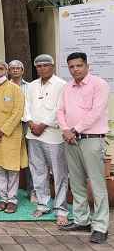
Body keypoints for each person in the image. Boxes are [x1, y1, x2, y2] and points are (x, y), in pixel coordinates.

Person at [57, 52, 110, 244]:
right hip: (71, 140)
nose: (75, 70)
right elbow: (60, 110)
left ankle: (101, 226)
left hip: (91, 139)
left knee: (96, 183)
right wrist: (65, 129)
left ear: (87, 66)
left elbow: (97, 111)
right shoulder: (67, 87)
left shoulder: (99, 84)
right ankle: (82, 220)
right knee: (77, 182)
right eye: (71, 67)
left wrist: (75, 130)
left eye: (79, 66)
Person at [22, 54, 68, 225]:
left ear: (53, 66)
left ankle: (61, 209)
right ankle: (42, 204)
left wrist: (44, 124)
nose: (42, 68)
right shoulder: (32, 86)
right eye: (39, 66)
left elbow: (60, 109)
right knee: (38, 171)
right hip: (33, 134)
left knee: (59, 173)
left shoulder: (62, 85)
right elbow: (25, 106)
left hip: (54, 136)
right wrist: (31, 122)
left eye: (45, 65)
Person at [0, 60, 28, 214]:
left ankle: (12, 200)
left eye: (1, 69)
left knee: (12, 169)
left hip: (10, 136)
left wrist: (2, 131)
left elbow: (18, 112)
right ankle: (2, 199)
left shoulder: (15, 89)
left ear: (7, 70)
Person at [9, 59, 35, 203]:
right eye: (12, 68)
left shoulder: (30, 87)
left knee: (31, 159)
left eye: (18, 68)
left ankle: (32, 190)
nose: (15, 70)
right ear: (9, 71)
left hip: (27, 125)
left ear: (23, 70)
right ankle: (9, 193)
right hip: (11, 127)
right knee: (12, 158)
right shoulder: (5, 87)